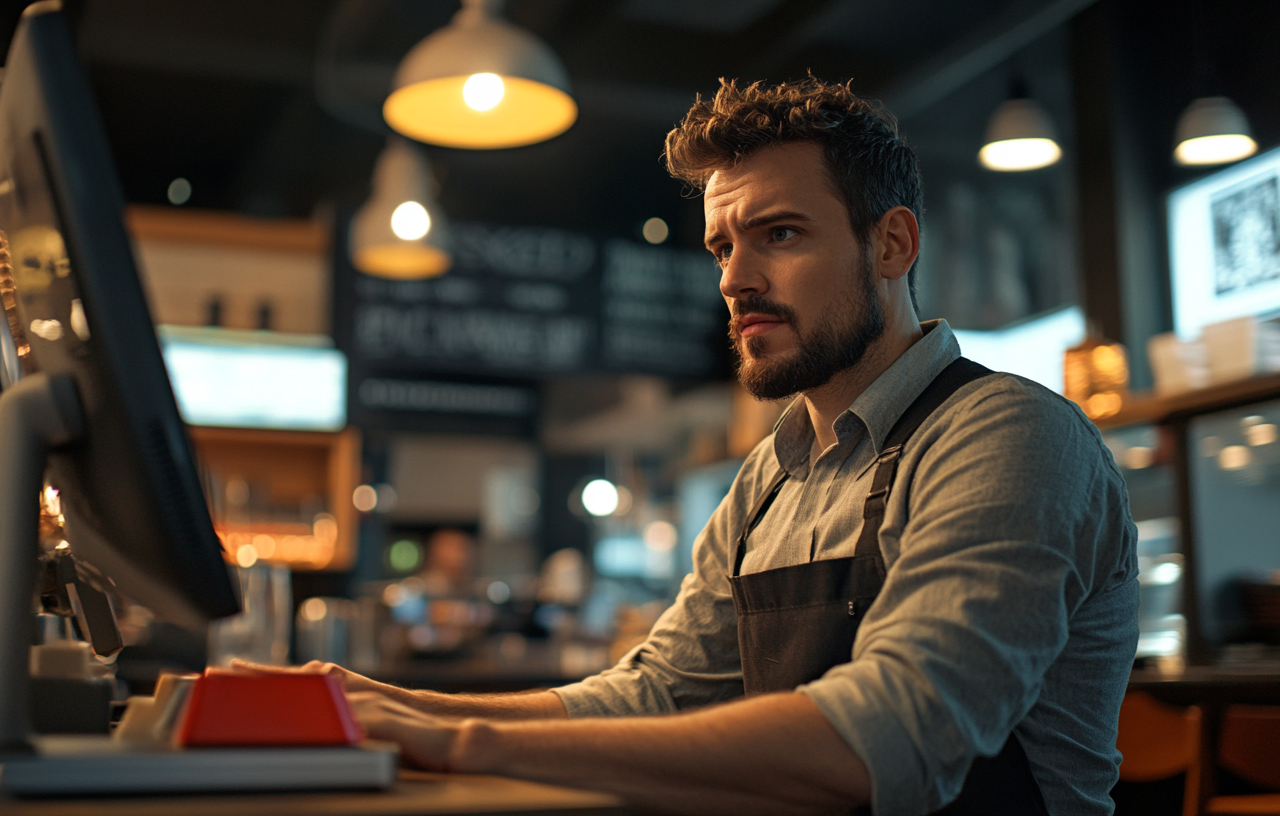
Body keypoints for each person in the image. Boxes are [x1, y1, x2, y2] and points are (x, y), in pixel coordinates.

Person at [260, 77, 1140, 815]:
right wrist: (394, 704)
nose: (733, 278)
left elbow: (894, 736)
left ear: (892, 242)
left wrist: (463, 741)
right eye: (723, 245)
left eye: (779, 234)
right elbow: (658, 691)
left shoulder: (1007, 435)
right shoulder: (771, 477)